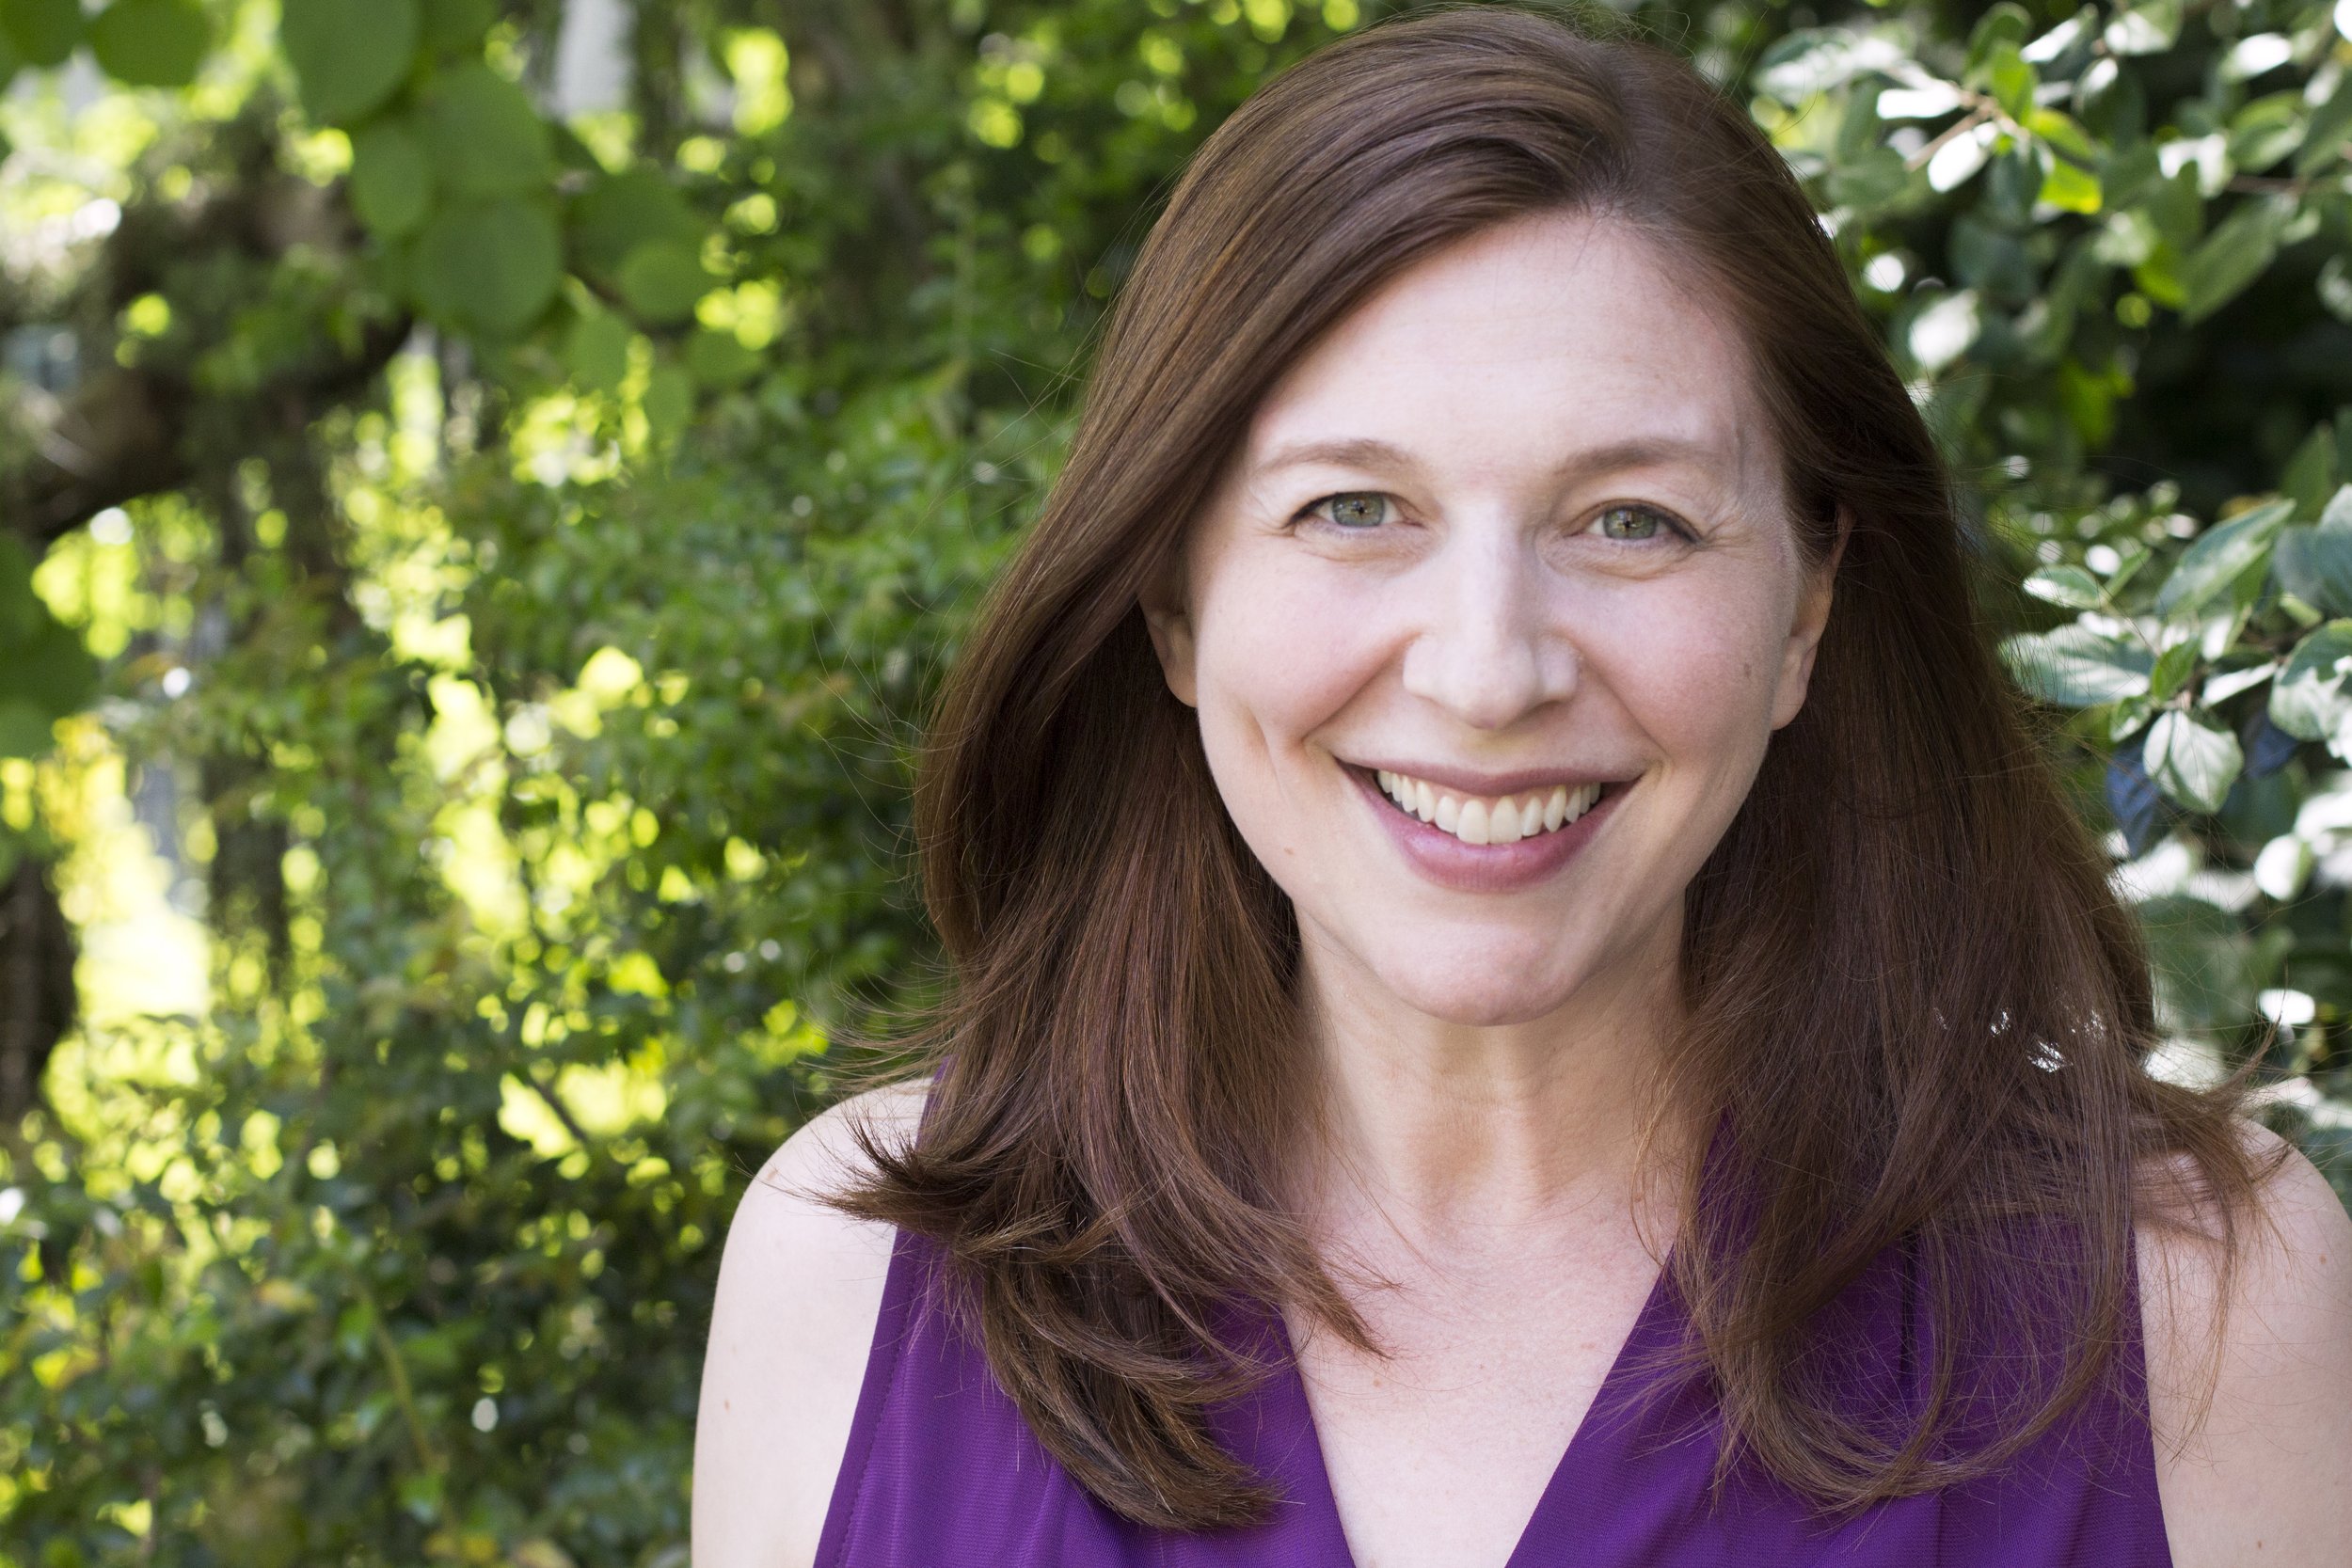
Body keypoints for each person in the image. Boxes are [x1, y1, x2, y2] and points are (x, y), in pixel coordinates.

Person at [692, 7, 2352, 1565]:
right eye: (1354, 509)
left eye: (1631, 522)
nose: (1488, 672)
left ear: (1810, 607)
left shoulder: (2196, 1308)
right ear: (1175, 601)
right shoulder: (855, 1283)